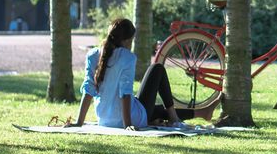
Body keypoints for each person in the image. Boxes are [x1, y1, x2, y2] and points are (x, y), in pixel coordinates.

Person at [66, 18, 218, 130]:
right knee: (157, 68)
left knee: (156, 109)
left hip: (104, 119)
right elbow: (124, 93)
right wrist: (128, 125)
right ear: (126, 41)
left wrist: (79, 122)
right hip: (129, 118)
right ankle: (174, 118)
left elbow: (88, 91)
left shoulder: (92, 55)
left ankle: (202, 112)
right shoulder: (127, 57)